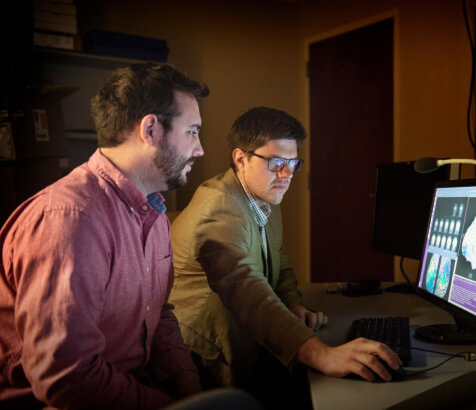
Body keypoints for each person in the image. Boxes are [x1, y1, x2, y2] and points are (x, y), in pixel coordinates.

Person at [0, 62, 252, 409]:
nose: (200, 149)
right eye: (192, 132)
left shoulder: (155, 212)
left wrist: (189, 387)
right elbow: (67, 378)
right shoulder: (70, 220)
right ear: (150, 130)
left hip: (138, 387)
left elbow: (159, 315)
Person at [168, 107, 402, 404]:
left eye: (293, 163)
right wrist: (322, 355)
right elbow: (248, 292)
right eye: (276, 162)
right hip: (204, 363)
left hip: (249, 342)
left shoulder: (263, 194)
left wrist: (293, 303)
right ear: (240, 159)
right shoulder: (220, 209)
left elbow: (279, 258)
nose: (287, 175)